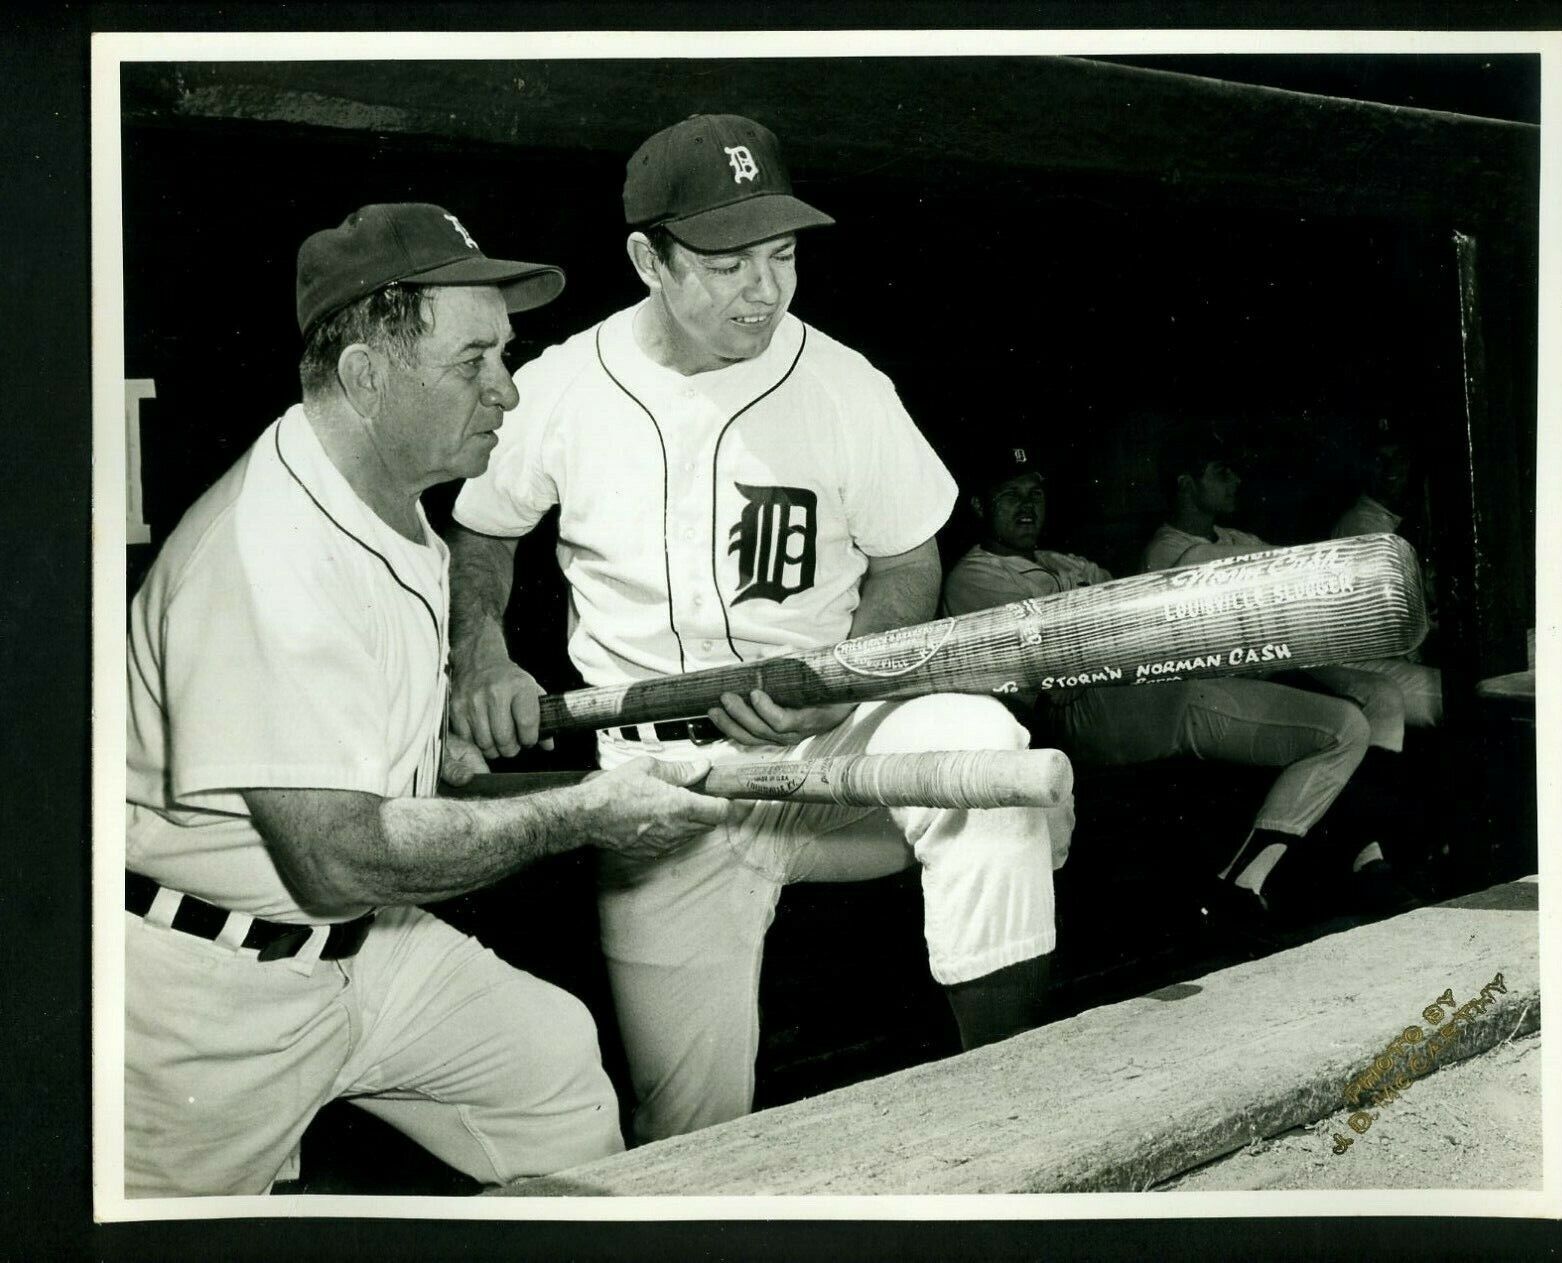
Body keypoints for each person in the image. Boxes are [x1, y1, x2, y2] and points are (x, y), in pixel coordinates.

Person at [448, 115, 1073, 1144]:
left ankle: (1016, 1113)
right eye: (728, 262)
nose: (765, 289)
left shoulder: (842, 383)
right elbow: (482, 531)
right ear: (648, 259)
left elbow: (909, 559)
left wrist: (837, 678)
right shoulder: (559, 386)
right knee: (687, 1125)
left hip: (827, 747)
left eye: (781, 256)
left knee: (988, 760)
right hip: (659, 787)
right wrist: (482, 651)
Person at [123, 203, 732, 1197]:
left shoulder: (384, 491)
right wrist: (583, 815)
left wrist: (431, 734)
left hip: (358, 950)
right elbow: (338, 859)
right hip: (204, 995)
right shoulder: (267, 552)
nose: (507, 389)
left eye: (507, 353)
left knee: (544, 1060)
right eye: (473, 361)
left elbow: (349, 726)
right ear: (365, 375)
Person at [942, 444, 1408, 925]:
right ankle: (1265, 881)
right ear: (979, 506)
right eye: (1009, 495)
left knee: (1344, 725)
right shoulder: (974, 576)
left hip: (1150, 687)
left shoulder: (1058, 562)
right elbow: (1067, 648)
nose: (1027, 506)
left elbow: (1116, 610)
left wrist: (1104, 613)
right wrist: (1103, 611)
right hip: (1075, 712)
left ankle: (1245, 883)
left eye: (1034, 493)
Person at [1140, 426, 1440, 743]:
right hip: (1232, 683)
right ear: (1186, 485)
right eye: (1222, 474)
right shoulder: (1166, 551)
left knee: (1437, 688)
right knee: (1380, 695)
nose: (1236, 482)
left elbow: (1295, 567)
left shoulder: (1236, 538)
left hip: (1296, 653)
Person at [1330, 422, 1445, 727]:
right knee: (1459, 696)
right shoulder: (1361, 525)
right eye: (1379, 460)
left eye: (1399, 458)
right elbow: (1396, 628)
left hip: (1408, 650)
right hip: (1366, 662)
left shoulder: (1406, 514)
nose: (1391, 469)